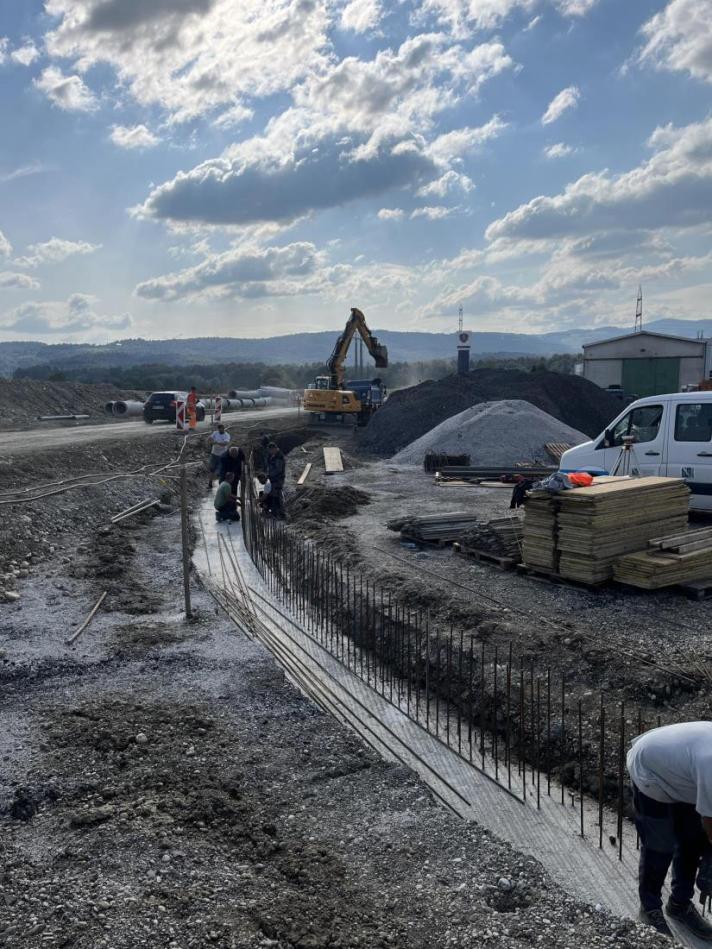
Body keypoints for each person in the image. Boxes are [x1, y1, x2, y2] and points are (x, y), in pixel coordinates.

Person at [627, 721, 712, 939]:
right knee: (660, 844)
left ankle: (679, 905)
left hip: (683, 774)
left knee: (692, 840)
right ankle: (649, 908)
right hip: (651, 770)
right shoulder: (710, 764)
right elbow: (710, 821)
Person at [207, 423, 231, 489]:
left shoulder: (226, 435)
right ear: (218, 429)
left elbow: (225, 443)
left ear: (223, 429)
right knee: (212, 469)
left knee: (221, 470)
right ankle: (210, 484)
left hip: (222, 455)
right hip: (214, 454)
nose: (220, 431)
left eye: (222, 429)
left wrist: (216, 442)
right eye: (219, 430)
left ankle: (221, 484)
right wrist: (210, 441)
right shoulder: (215, 433)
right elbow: (209, 439)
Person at [266, 442, 285, 518]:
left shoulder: (279, 457)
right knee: (273, 495)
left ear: (274, 449)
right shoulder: (272, 455)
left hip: (278, 479)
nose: (269, 452)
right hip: (273, 478)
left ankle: (281, 513)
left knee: (278, 496)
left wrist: (270, 475)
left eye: (270, 450)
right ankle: (275, 512)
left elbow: (278, 469)